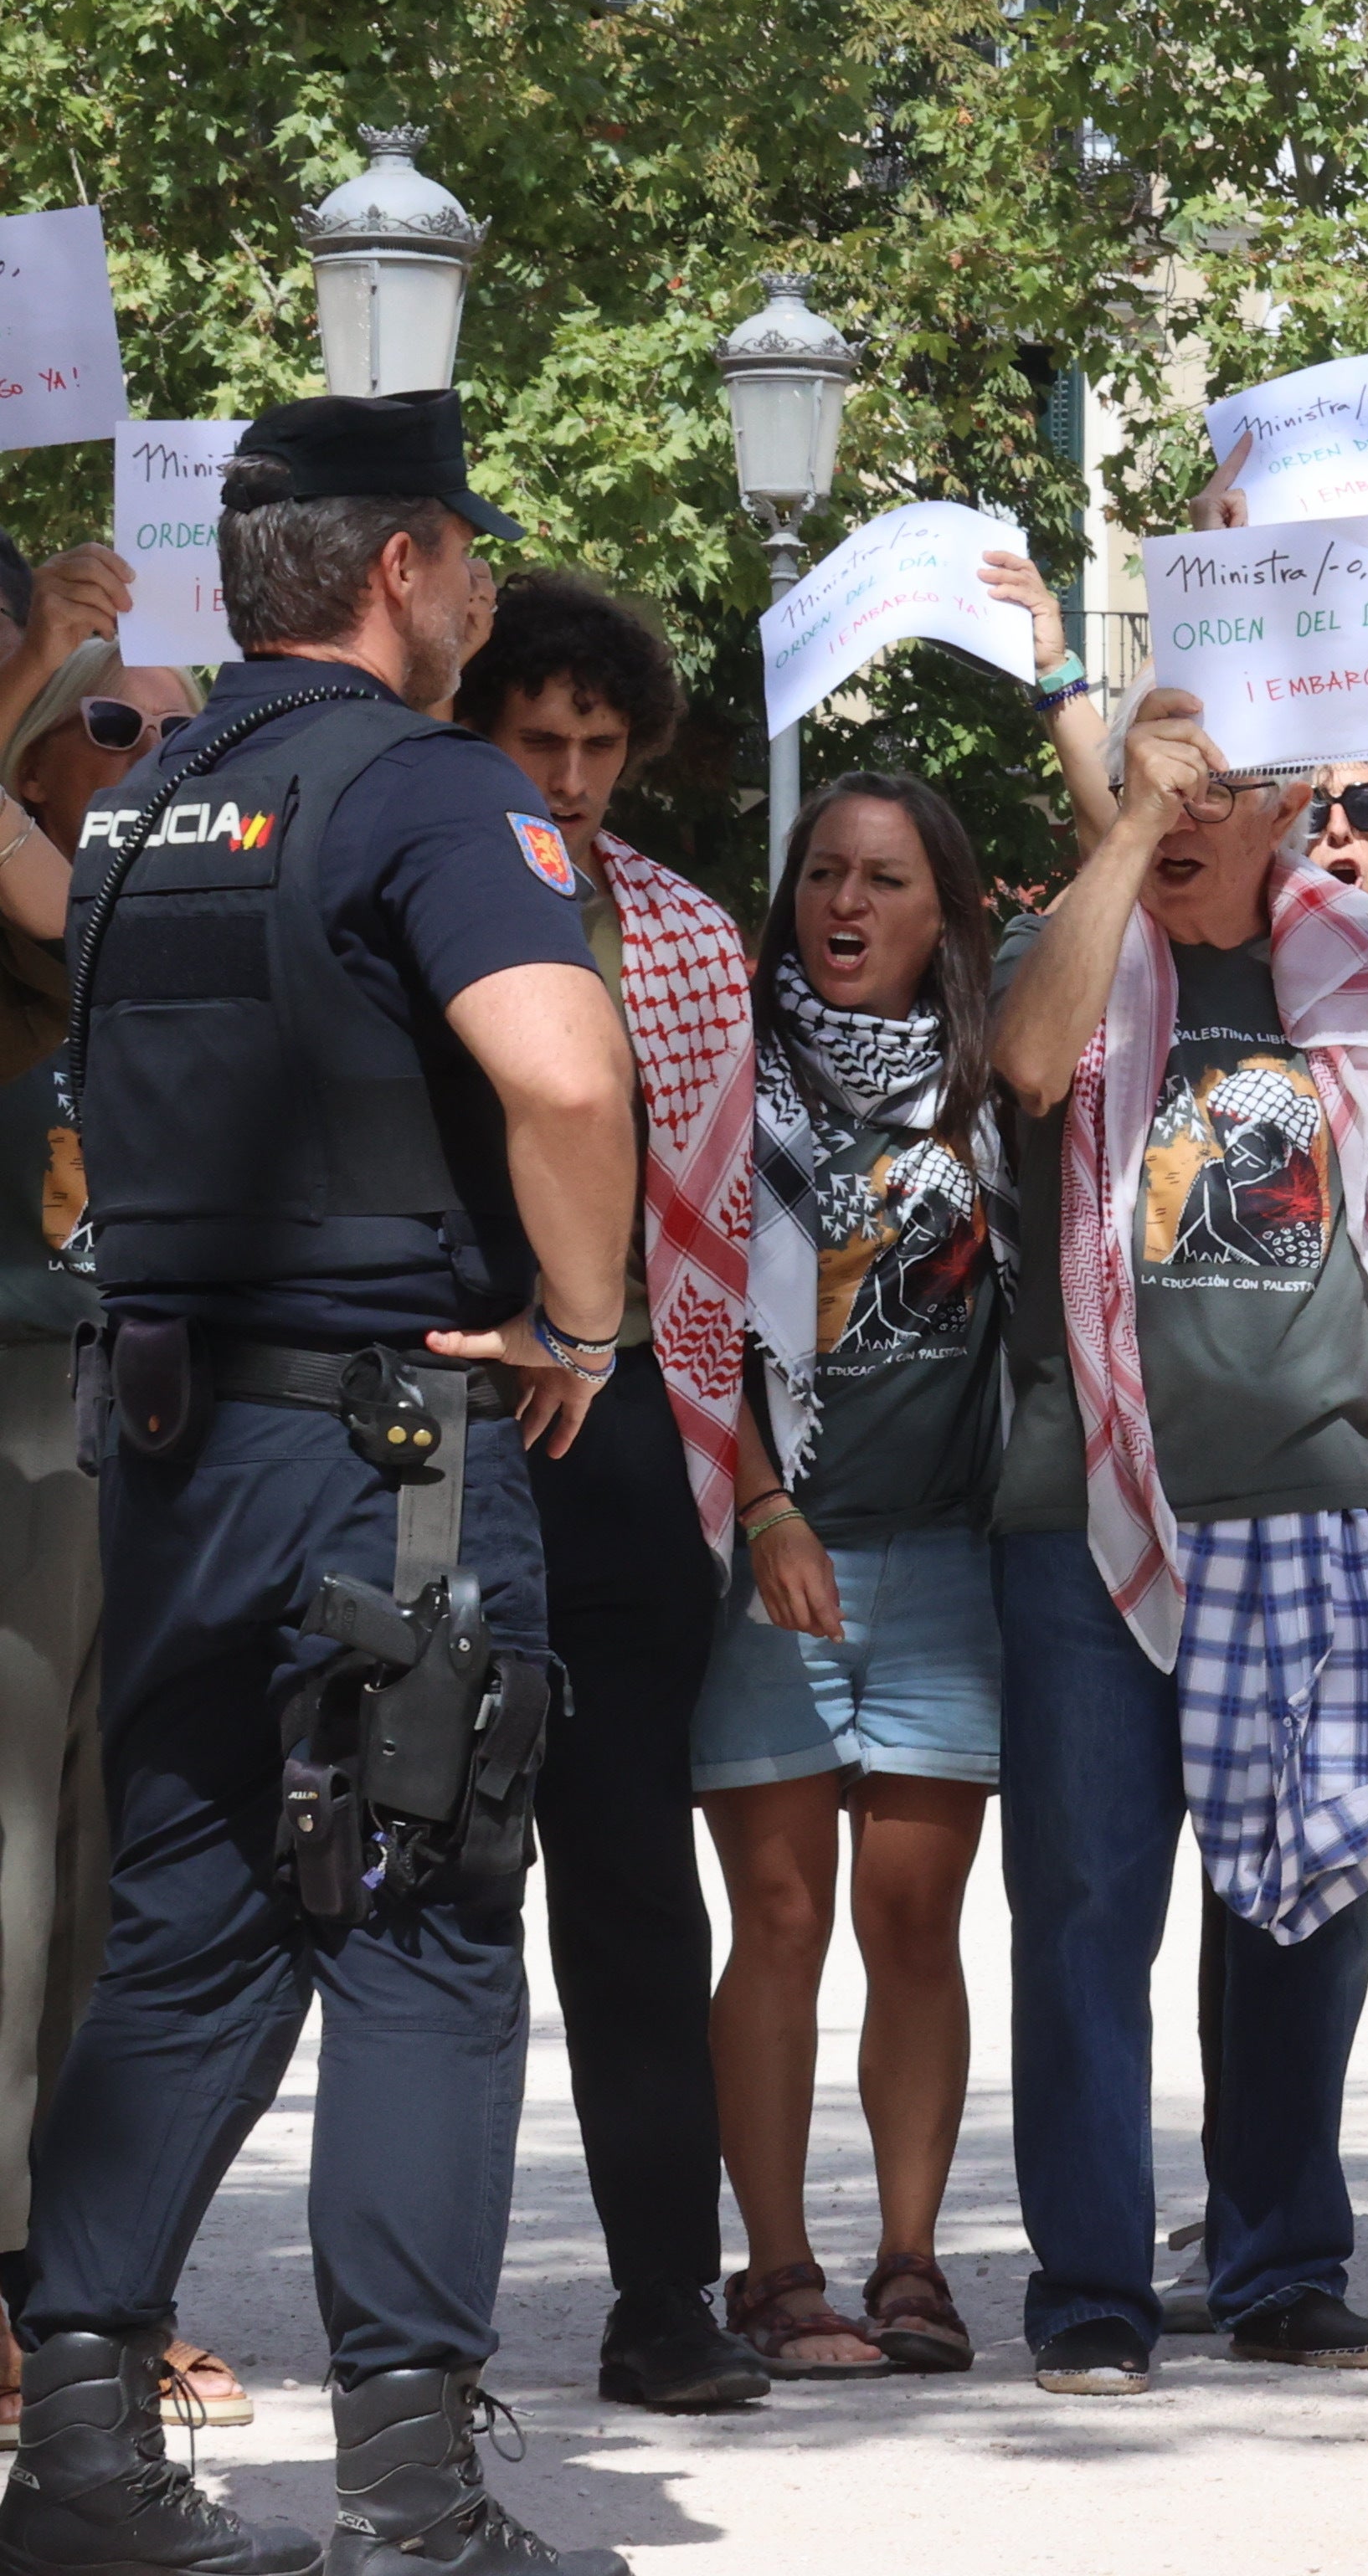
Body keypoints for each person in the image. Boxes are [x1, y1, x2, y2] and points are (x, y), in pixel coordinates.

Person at [3, 390, 642, 2576]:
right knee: (424, 1942)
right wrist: (585, 1317)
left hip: (173, 1461)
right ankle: (413, 2504)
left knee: (180, 1941)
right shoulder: (431, 795)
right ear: (404, 568)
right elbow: (565, 1082)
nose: (483, 587)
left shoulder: (153, 803)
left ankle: (78, 2466)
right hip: (397, 1468)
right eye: (470, 553)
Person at [985, 632, 1368, 2398]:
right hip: (1093, 1505)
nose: (1197, 804)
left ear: (1292, 808)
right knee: (1091, 1908)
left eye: (1232, 781)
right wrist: (1120, 838)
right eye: (1171, 767)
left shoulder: (1352, 955)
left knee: (1309, 1907)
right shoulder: (1074, 945)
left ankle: (1280, 2265)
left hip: (1319, 1501)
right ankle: (1094, 2291)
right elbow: (1032, 1069)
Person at [450, 574, 775, 2413]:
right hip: (448, 1406)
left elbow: (719, 1218)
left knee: (637, 1878)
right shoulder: (404, 887)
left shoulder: (685, 927)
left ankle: (666, 2296)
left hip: (634, 1421)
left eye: (598, 744)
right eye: (537, 739)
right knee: (420, 1871)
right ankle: (410, 2320)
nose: (573, 775)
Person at [684, 772, 1015, 2380]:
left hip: (943, 1556)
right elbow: (689, 1312)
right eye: (824, 874)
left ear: (940, 909)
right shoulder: (729, 1067)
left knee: (915, 1919)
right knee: (781, 1910)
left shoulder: (992, 1082)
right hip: (772, 1555)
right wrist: (764, 1510)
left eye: (886, 879)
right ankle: (778, 2269)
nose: (847, 905)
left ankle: (908, 2263)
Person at [0, 611, 249, 2448]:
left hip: (164, 1433)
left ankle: (90, 2292)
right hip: (17, 1425)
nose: (154, 758)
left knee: (118, 1890)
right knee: (8, 1887)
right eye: (111, 723)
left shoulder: (170, 926)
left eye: (187, 731)